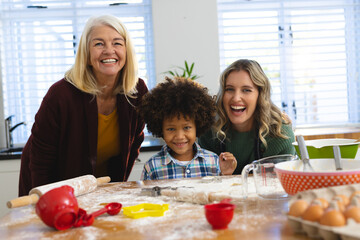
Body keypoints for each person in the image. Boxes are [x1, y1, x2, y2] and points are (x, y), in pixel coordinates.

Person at [18, 15, 148, 196]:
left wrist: (114, 188)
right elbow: (41, 159)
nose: (109, 50)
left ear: (127, 51)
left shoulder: (137, 91)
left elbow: (134, 144)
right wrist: (47, 201)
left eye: (117, 43)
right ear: (86, 55)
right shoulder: (60, 95)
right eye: (99, 44)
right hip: (49, 184)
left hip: (98, 187)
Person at [198, 59, 295, 174]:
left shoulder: (280, 134)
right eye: (229, 89)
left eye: (246, 90)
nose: (236, 98)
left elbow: (283, 185)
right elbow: (207, 181)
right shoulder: (209, 131)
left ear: (260, 95)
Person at [138, 77, 236, 180]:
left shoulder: (214, 161)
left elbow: (220, 193)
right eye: (171, 129)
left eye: (186, 127)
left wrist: (225, 175)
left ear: (198, 126)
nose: (180, 136)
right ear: (160, 129)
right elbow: (146, 196)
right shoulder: (152, 166)